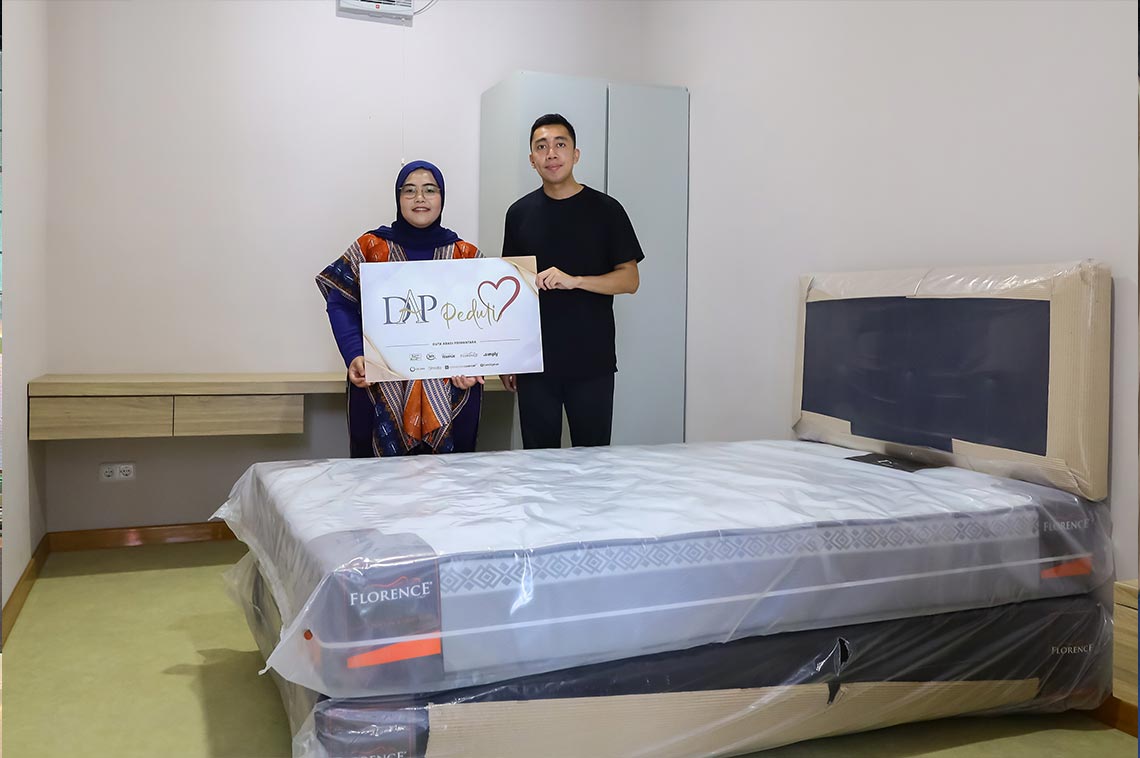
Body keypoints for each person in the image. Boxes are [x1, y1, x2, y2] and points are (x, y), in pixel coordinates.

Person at [316, 160, 484, 457]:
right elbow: (340, 301)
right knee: (376, 481)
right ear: (398, 197)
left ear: (442, 197)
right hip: (378, 386)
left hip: (452, 388)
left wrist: (474, 363)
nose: (420, 198)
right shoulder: (370, 248)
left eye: (430, 190)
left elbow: (485, 321)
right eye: (410, 190)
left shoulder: (466, 255)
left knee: (451, 480)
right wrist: (354, 354)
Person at [500, 114, 644, 449]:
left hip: (592, 361)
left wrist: (575, 281)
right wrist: (509, 358)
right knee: (538, 460)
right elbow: (512, 291)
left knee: (593, 462)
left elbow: (630, 279)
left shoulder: (606, 210)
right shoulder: (518, 214)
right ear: (532, 159)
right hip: (535, 363)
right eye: (541, 147)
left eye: (560, 144)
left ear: (575, 154)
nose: (551, 153)